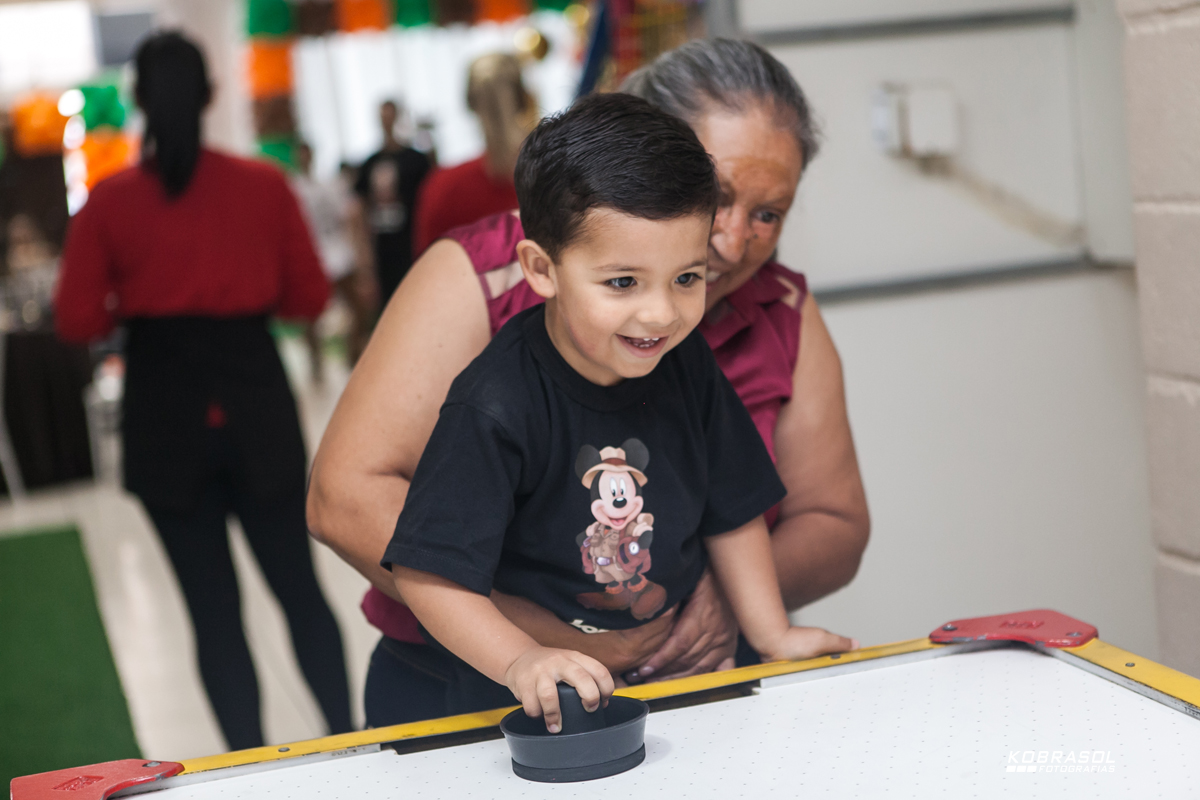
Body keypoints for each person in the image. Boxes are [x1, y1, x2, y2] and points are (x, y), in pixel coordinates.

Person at [308, 38, 870, 727]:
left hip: (689, 685)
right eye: (714, 196)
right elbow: (374, 520)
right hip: (486, 686)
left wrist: (758, 623)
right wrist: (540, 647)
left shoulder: (697, 349)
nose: (728, 242)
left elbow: (755, 507)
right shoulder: (497, 384)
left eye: (767, 213)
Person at [55, 31, 353, 750]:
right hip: (255, 399)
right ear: (212, 97)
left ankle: (246, 767)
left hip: (163, 410)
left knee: (211, 613)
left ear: (140, 105)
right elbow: (308, 299)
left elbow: (77, 320)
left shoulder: (110, 204)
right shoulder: (261, 186)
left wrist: (142, 302)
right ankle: (348, 742)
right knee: (300, 592)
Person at [411, 53, 534, 256]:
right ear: (524, 97)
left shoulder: (443, 187)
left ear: (469, 103)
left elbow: (429, 273)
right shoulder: (557, 178)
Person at [290, 141, 375, 380]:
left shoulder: (330, 185)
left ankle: (352, 352)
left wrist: (359, 254)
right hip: (315, 255)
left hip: (338, 252)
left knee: (357, 307)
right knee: (311, 316)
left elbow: (349, 217)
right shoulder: (294, 188)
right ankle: (315, 361)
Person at [355, 100, 431, 304]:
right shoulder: (370, 163)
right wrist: (365, 256)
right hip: (383, 247)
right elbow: (361, 208)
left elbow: (428, 202)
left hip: (411, 242)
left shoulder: (415, 160)